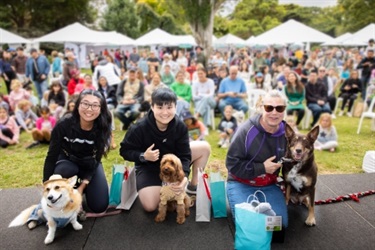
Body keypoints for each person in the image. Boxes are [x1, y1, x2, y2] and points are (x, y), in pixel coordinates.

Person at [119, 88, 211, 212]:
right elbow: (124, 151)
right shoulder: (139, 127)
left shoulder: (180, 126)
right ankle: (156, 184)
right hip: (149, 166)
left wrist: (184, 177)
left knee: (204, 147)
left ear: (175, 107)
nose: (165, 112)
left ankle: (192, 186)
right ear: (152, 107)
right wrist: (143, 156)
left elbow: (184, 155)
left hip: (173, 163)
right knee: (150, 207)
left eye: (169, 107)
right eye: (160, 107)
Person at [226, 90, 288, 239]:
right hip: (241, 182)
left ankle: (259, 215)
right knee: (249, 225)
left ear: (284, 110)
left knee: (279, 225)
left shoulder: (287, 132)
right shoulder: (246, 131)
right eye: (269, 108)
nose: (274, 112)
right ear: (261, 107)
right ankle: (249, 215)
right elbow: (231, 164)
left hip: (268, 184)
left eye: (279, 108)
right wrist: (263, 168)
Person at [42, 89, 112, 213]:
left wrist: (82, 187)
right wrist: (47, 187)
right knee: (66, 169)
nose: (89, 109)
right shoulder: (64, 124)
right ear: (78, 104)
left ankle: (80, 190)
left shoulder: (102, 126)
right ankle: (67, 190)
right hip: (67, 161)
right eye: (85, 103)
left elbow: (97, 159)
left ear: (101, 108)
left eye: (95, 105)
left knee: (99, 206)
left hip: (89, 163)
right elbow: (51, 156)